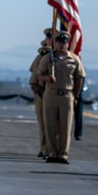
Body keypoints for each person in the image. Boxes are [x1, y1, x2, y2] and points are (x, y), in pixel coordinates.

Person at [37, 30, 85, 164]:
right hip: (51, 94)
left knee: (66, 127)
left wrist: (76, 95)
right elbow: (39, 75)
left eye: (64, 42)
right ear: (54, 43)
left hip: (66, 95)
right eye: (59, 42)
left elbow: (79, 77)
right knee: (50, 126)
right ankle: (52, 153)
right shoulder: (47, 58)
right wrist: (47, 78)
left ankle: (63, 154)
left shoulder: (74, 59)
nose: (61, 44)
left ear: (68, 43)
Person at [30, 31, 52, 158]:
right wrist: (38, 92)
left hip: (55, 94)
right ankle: (45, 148)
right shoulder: (41, 57)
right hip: (42, 93)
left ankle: (54, 150)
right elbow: (34, 77)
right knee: (44, 124)